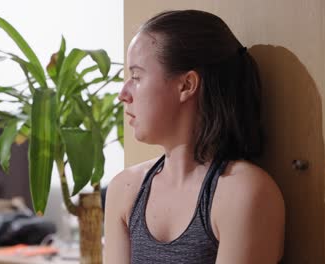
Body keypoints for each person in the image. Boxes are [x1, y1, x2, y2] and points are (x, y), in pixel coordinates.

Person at [104, 10, 285, 264]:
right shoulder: (124, 190)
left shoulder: (244, 192)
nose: (123, 93)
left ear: (187, 85)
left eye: (136, 77)